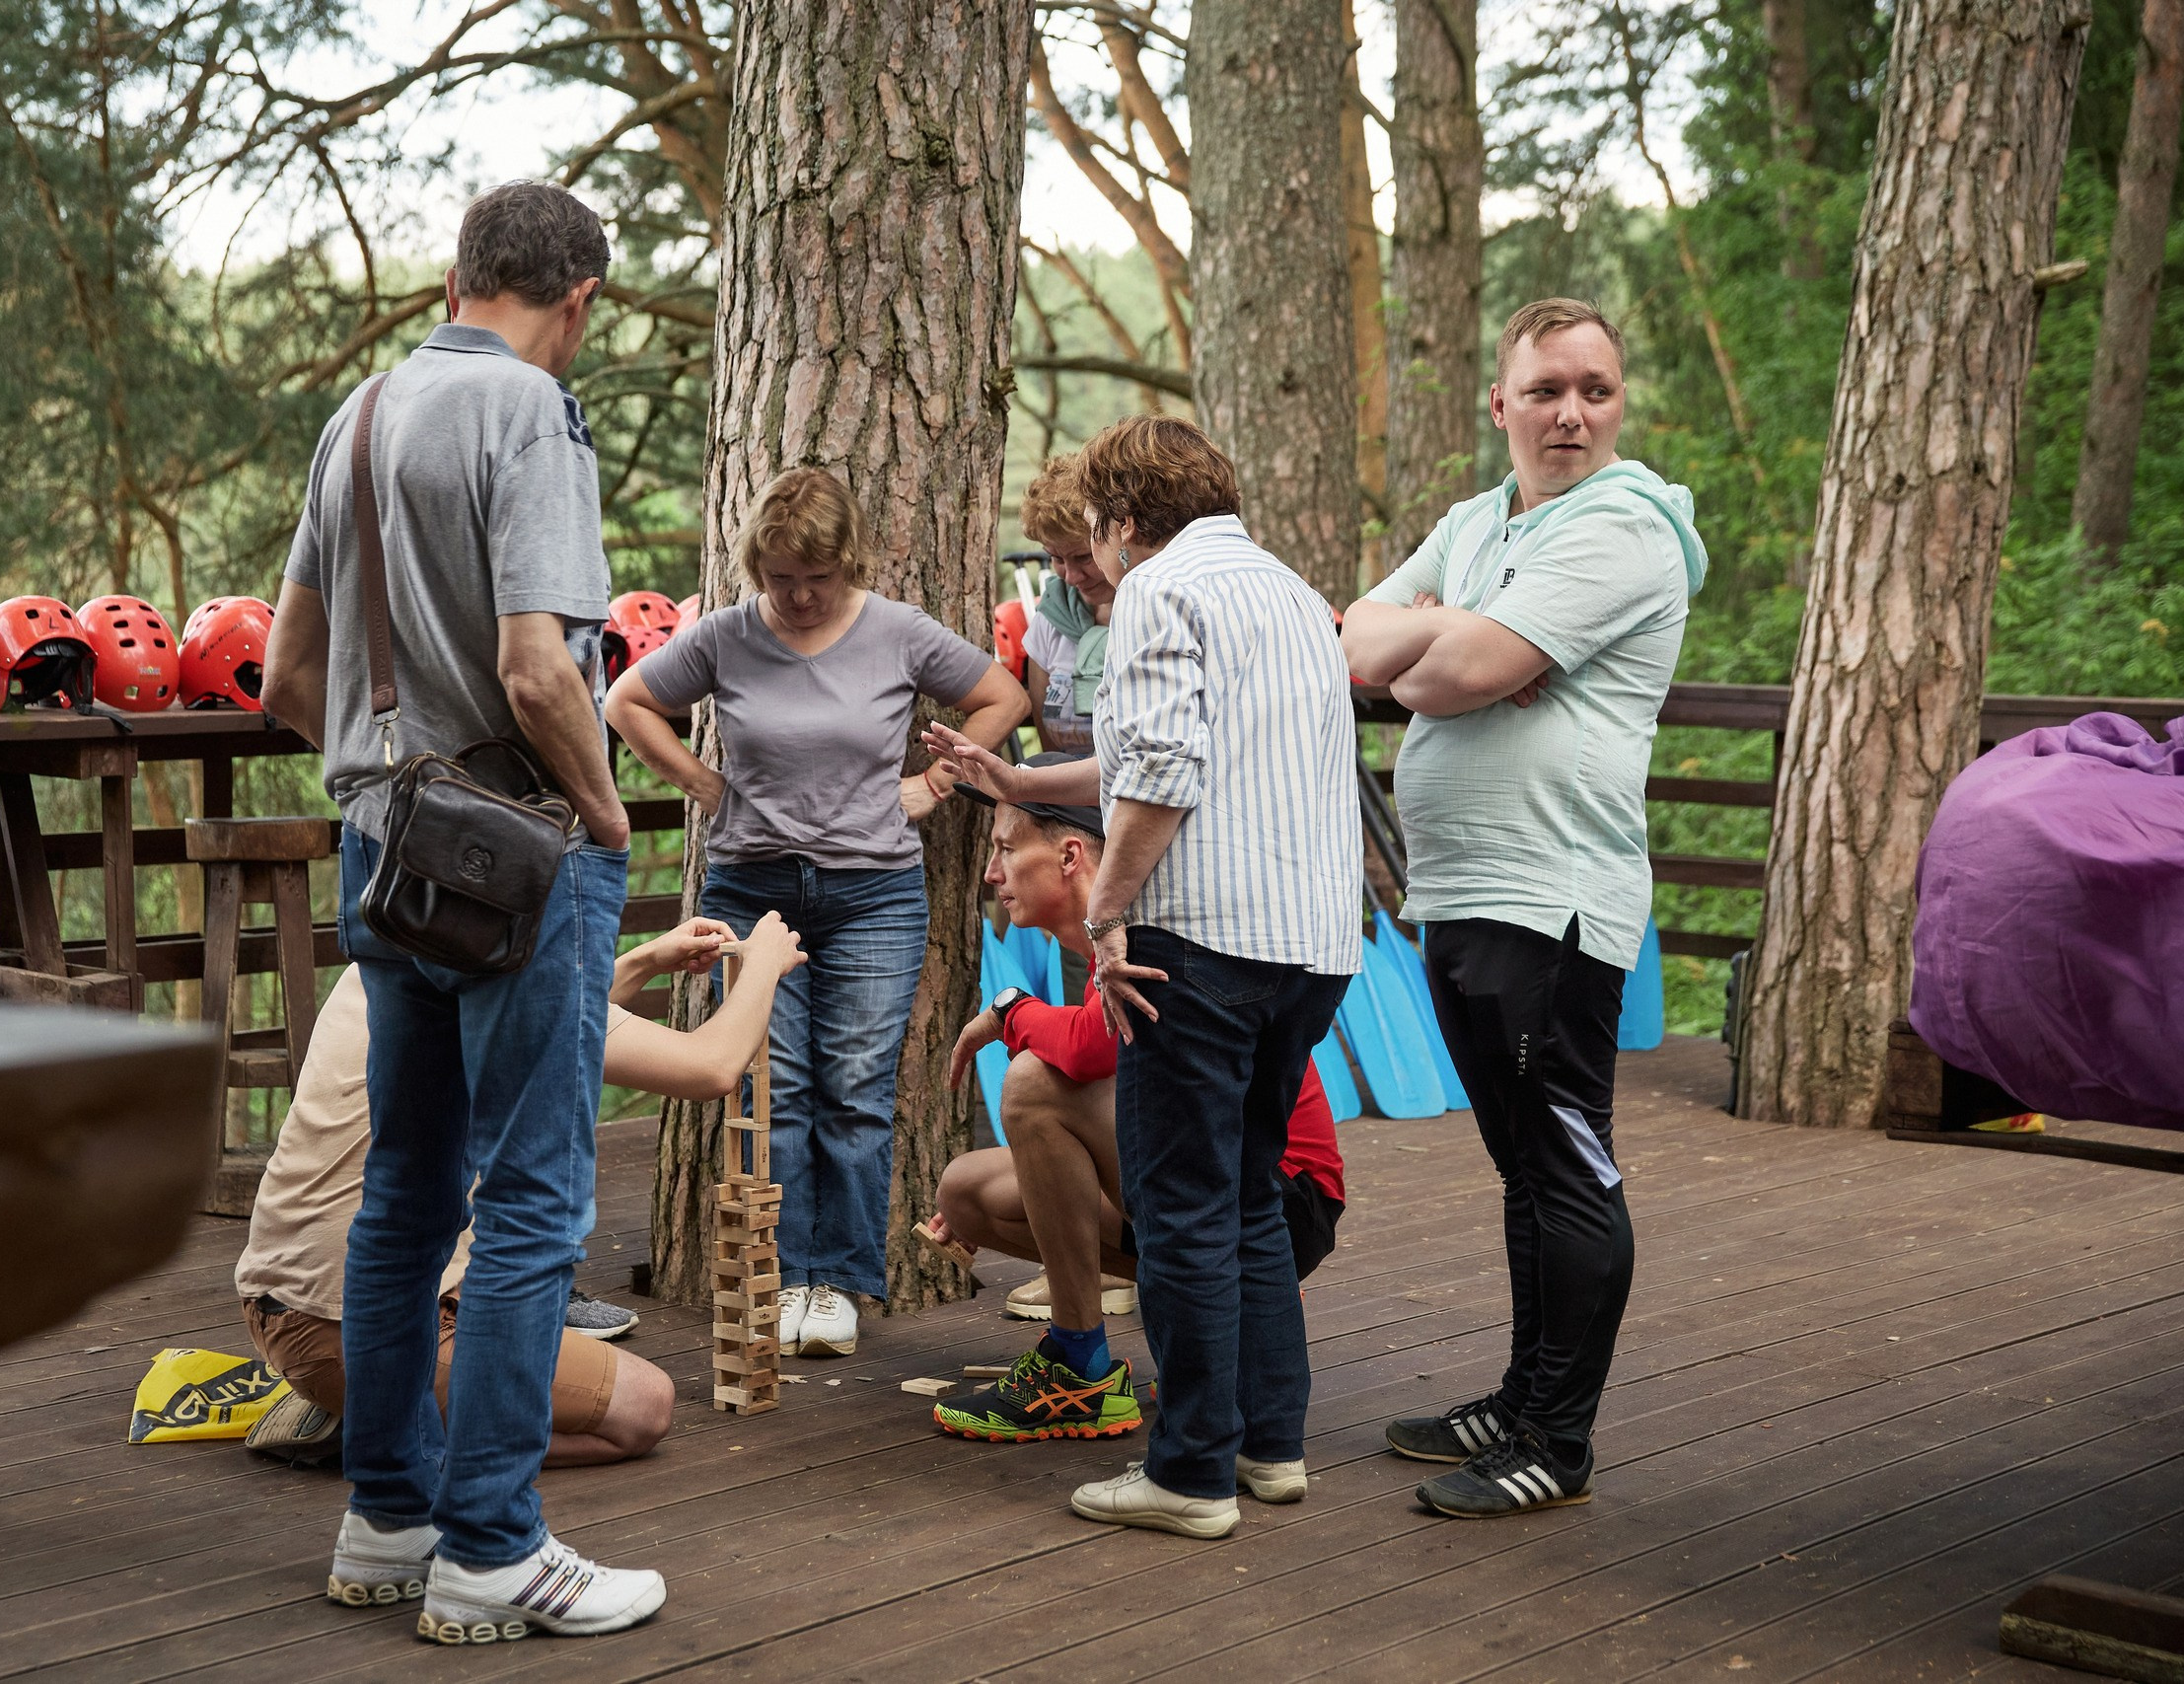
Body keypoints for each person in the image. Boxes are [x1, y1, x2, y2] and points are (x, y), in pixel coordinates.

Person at [262, 181, 660, 1643]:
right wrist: (606, 813)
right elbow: (539, 668)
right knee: (535, 1195)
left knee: (405, 1192)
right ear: (577, 304)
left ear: (456, 275)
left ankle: (389, 1516)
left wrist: (385, 775)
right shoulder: (532, 420)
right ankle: (494, 1544)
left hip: (386, 843)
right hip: (521, 855)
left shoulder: (359, 416)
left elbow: (286, 677)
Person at [932, 415, 1360, 1542]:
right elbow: (1162, 753)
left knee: (1181, 1214)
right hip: (1310, 946)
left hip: (1201, 943)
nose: (1095, 563)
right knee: (1248, 1199)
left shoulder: (1161, 594)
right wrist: (1013, 776)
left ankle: (1188, 1472)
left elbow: (1162, 772)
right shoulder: (1289, 594)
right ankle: (1270, 1448)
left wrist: (1109, 916)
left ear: (1122, 523)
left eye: (1096, 539)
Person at [1338, 298, 1707, 1520]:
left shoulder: (1624, 530)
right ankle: (1516, 1396)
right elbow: (1353, 646)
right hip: (1456, 892)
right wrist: (1455, 633)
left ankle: (1559, 1436)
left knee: (1563, 1166)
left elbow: (1449, 674)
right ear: (1499, 404)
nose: (1570, 412)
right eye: (1546, 389)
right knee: (1522, 1168)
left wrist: (1449, 643)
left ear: (1619, 403)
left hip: (1553, 898)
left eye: (1593, 389)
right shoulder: (1475, 522)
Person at [604, 470, 1029, 1359]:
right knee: (771, 1085)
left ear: (849, 563)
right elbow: (627, 701)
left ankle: (835, 1279)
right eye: (779, 577)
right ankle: (784, 1273)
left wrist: (939, 779)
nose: (797, 596)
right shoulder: (722, 637)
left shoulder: (898, 632)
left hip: (873, 892)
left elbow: (1003, 697)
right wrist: (697, 781)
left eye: (816, 578)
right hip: (752, 892)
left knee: (856, 1087)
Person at [237, 914, 807, 1470]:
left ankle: (376, 1408)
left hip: (288, 1305)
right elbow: (709, 1069)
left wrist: (642, 961)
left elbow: (537, 1015)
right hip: (357, 1329)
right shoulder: (522, 984)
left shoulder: (402, 949)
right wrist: (762, 964)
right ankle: (389, 1432)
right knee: (644, 1407)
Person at [919, 769, 1347, 1448]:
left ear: (1070, 856)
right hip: (1221, 1181)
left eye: (1004, 849)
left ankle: (1080, 1367)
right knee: (968, 1193)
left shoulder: (1147, 929)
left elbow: (1087, 1051)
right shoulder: (1109, 940)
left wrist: (1009, 1011)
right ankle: (1215, 1321)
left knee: (1032, 1081)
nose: (991, 873)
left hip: (1282, 1202)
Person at [1017, 455, 1114, 758]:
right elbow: (1049, 753)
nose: (1070, 577)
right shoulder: (1051, 619)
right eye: (1057, 559)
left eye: (1084, 557)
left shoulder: (1150, 615)